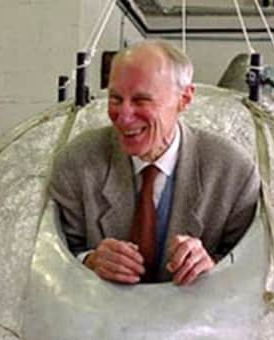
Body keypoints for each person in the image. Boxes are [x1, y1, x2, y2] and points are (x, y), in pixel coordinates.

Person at [49, 40, 259, 285]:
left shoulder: (233, 172)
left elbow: (252, 268)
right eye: (115, 99)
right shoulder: (77, 162)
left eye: (141, 100)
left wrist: (211, 266)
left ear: (184, 99)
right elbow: (53, 252)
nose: (124, 117)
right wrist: (89, 261)